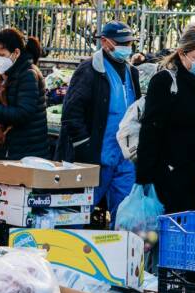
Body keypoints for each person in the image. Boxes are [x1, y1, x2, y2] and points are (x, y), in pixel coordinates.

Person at [136, 24, 195, 220]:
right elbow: (150, 130)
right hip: (172, 174)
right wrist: (144, 178)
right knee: (175, 231)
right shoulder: (164, 82)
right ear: (182, 54)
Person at [58, 21, 142, 221]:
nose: (126, 47)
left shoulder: (132, 72)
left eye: (130, 43)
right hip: (95, 158)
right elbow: (71, 113)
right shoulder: (89, 70)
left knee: (125, 216)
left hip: (124, 159)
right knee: (78, 214)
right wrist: (84, 146)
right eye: (121, 43)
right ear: (104, 42)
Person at [0, 28, 48, 160]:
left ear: (16, 53)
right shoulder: (11, 72)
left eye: (1, 55)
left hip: (26, 150)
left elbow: (22, 113)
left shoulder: (28, 75)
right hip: (16, 147)